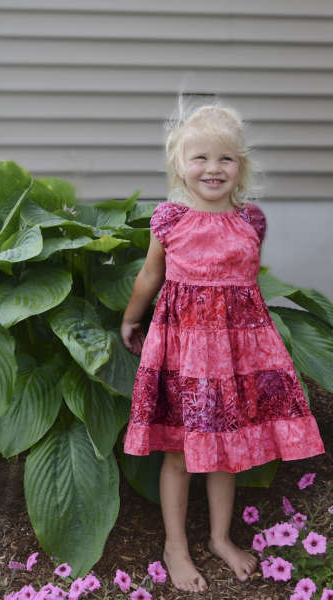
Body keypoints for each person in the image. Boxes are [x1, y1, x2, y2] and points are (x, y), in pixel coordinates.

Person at [120, 103, 325, 593]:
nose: (213, 169)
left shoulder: (251, 220)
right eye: (201, 158)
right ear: (178, 166)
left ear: (242, 166)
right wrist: (131, 317)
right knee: (178, 454)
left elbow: (243, 289)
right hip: (184, 355)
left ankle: (218, 537)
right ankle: (176, 546)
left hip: (232, 358)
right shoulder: (169, 220)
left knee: (225, 451)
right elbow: (152, 275)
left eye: (226, 160)